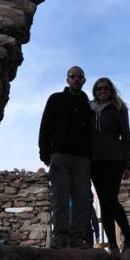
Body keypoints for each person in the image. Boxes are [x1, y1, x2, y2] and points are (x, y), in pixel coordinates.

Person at [39, 66, 91, 248]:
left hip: (83, 158)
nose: (76, 79)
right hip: (60, 154)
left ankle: (77, 238)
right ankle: (60, 238)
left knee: (83, 197)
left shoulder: (88, 104)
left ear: (84, 80)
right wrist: (44, 151)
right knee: (60, 197)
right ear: (67, 79)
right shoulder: (56, 99)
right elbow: (45, 126)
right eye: (73, 76)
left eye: (79, 77)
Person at [90, 77, 130, 260]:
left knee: (110, 200)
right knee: (104, 201)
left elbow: (126, 135)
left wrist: (128, 162)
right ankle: (114, 246)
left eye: (106, 88)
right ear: (94, 90)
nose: (102, 91)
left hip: (114, 160)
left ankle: (128, 237)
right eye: (99, 88)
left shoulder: (118, 108)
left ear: (111, 90)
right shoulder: (89, 109)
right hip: (95, 161)